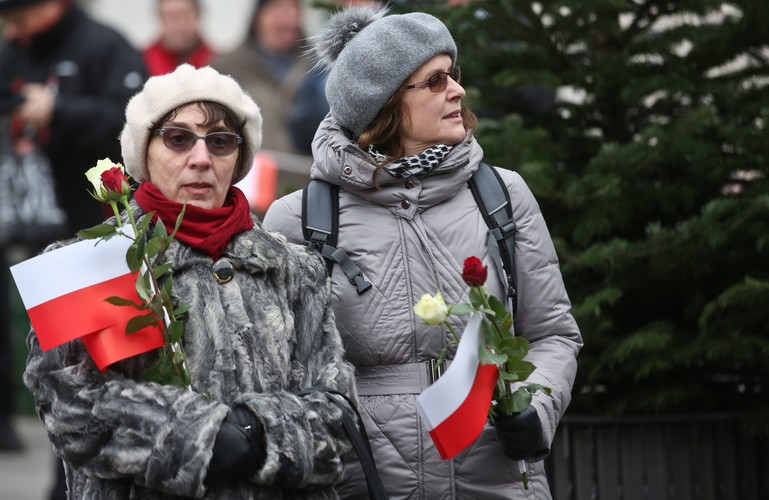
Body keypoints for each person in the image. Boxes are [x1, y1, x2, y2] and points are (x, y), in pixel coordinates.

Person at [263, 6, 582, 499]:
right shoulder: (301, 217)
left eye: (454, 75)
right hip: (363, 480)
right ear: (382, 106)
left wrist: (536, 407)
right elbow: (279, 375)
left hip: (496, 476)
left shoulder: (502, 194)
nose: (457, 90)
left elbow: (552, 334)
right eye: (434, 82)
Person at [23, 64, 358, 499]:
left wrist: (256, 434)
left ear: (238, 158)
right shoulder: (85, 266)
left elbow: (337, 415)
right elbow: (70, 412)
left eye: (220, 141)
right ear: (145, 151)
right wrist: (204, 438)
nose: (201, 159)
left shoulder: (295, 269)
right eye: (178, 139)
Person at [0, 0, 146, 460]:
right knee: (50, 370)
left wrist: (60, 112)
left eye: (21, 17)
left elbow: (135, 121)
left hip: (90, 233)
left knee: (100, 363)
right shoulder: (15, 49)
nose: (13, 29)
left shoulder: (104, 45)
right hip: (22, 220)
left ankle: (103, 464)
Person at [212, 0, 322, 155]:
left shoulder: (318, 64)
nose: (288, 20)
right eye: (278, 11)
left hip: (308, 169)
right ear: (258, 18)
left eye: (294, 10)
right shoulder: (228, 67)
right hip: (249, 170)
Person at [143, 0, 215, 76]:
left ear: (198, 17)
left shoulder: (217, 64)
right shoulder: (141, 64)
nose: (178, 26)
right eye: (170, 16)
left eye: (185, 15)